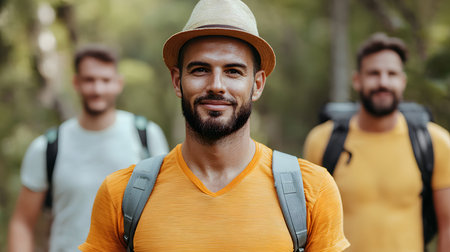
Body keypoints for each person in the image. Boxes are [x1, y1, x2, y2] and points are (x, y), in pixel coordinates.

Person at [79, 0, 350, 251]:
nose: (216, 86)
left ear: (256, 85)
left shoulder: (311, 190)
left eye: (233, 71)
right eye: (200, 70)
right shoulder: (121, 193)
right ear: (177, 81)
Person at [7, 45, 169, 252]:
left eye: (105, 80)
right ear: (76, 82)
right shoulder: (47, 147)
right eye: (89, 80)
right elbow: (22, 222)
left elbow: (165, 210)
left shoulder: (146, 136)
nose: (97, 89)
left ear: (118, 83)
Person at [303, 33, 450, 252]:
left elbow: (448, 225)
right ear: (357, 80)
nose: (383, 82)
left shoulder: (435, 142)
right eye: (374, 73)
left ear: (402, 81)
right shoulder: (322, 140)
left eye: (391, 74)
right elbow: (308, 226)